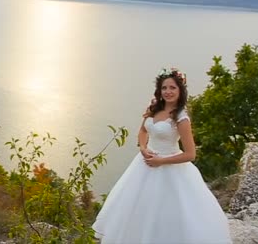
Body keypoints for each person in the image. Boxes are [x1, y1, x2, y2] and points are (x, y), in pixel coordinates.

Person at [92, 68, 231, 244]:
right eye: (164, 88)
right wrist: (143, 148)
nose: (168, 91)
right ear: (159, 90)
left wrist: (161, 161)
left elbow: (190, 154)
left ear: (180, 91)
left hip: (170, 169)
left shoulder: (181, 118)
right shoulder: (153, 108)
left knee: (168, 213)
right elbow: (143, 131)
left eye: (172, 87)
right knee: (138, 209)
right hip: (144, 165)